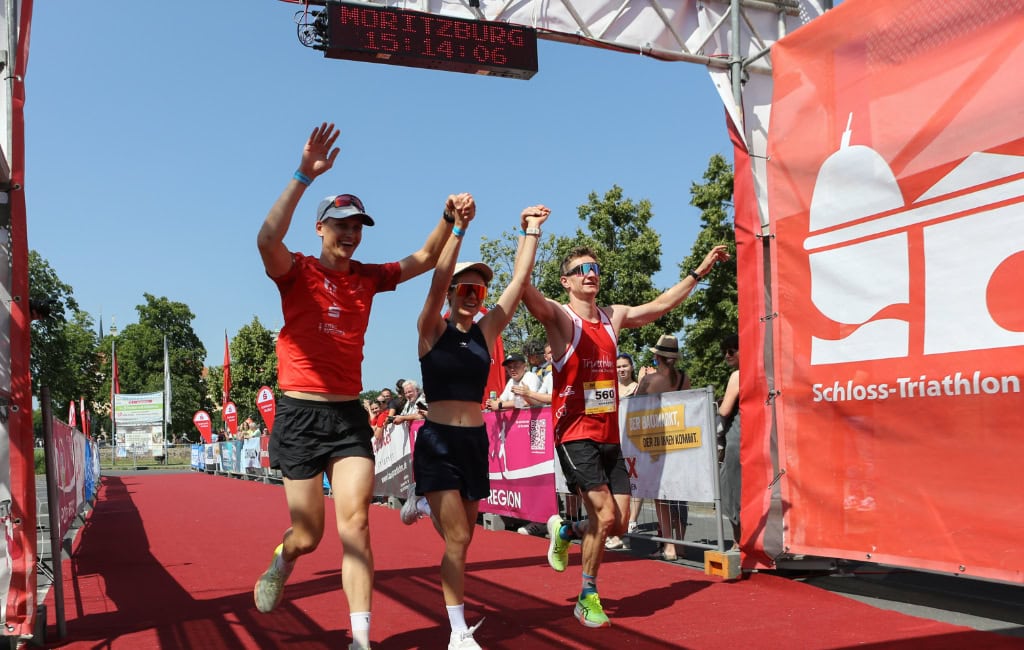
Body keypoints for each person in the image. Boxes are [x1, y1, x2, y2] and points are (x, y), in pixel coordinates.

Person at [253, 121, 468, 650]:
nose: (351, 234)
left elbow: (421, 259)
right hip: (299, 416)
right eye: (342, 224)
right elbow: (266, 238)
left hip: (348, 416)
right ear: (321, 228)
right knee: (309, 534)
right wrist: (304, 174)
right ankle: (282, 561)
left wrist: (448, 220)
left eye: (358, 226)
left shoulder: (367, 277)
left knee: (356, 525)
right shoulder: (296, 270)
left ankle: (360, 639)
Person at [523, 243, 729, 628]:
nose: (591, 273)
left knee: (617, 524)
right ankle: (587, 595)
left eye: (595, 268)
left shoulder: (612, 316)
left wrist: (699, 272)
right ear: (566, 281)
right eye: (581, 268)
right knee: (603, 513)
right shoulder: (562, 318)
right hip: (574, 434)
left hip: (609, 436)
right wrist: (529, 234)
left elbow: (660, 305)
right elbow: (524, 288)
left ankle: (565, 529)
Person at [406, 202, 550, 649]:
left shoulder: (485, 334)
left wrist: (530, 232)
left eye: (478, 291)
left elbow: (518, 284)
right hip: (438, 442)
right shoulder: (431, 328)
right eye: (465, 288)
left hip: (474, 443)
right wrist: (460, 230)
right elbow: (435, 277)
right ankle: (456, 633)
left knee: (463, 541)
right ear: (451, 293)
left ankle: (426, 503)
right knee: (459, 537)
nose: (473, 296)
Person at [635, 334, 691, 562]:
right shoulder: (684, 378)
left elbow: (636, 405)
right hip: (680, 439)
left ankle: (668, 544)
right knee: (680, 493)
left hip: (657, 441)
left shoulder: (650, 380)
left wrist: (641, 379)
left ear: (657, 356)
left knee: (661, 495)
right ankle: (681, 542)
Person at [605, 352, 639, 550]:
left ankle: (630, 524)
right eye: (618, 367)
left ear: (631, 367)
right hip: (614, 441)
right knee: (615, 487)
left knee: (636, 485)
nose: (621, 370)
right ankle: (617, 532)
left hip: (635, 442)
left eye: (625, 366)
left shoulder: (638, 388)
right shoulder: (610, 389)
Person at [718, 333, 741, 551]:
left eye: (731, 350)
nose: (727, 355)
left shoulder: (738, 376)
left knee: (731, 490)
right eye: (724, 351)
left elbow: (724, 410)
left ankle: (738, 543)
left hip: (737, 439)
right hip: (759, 439)